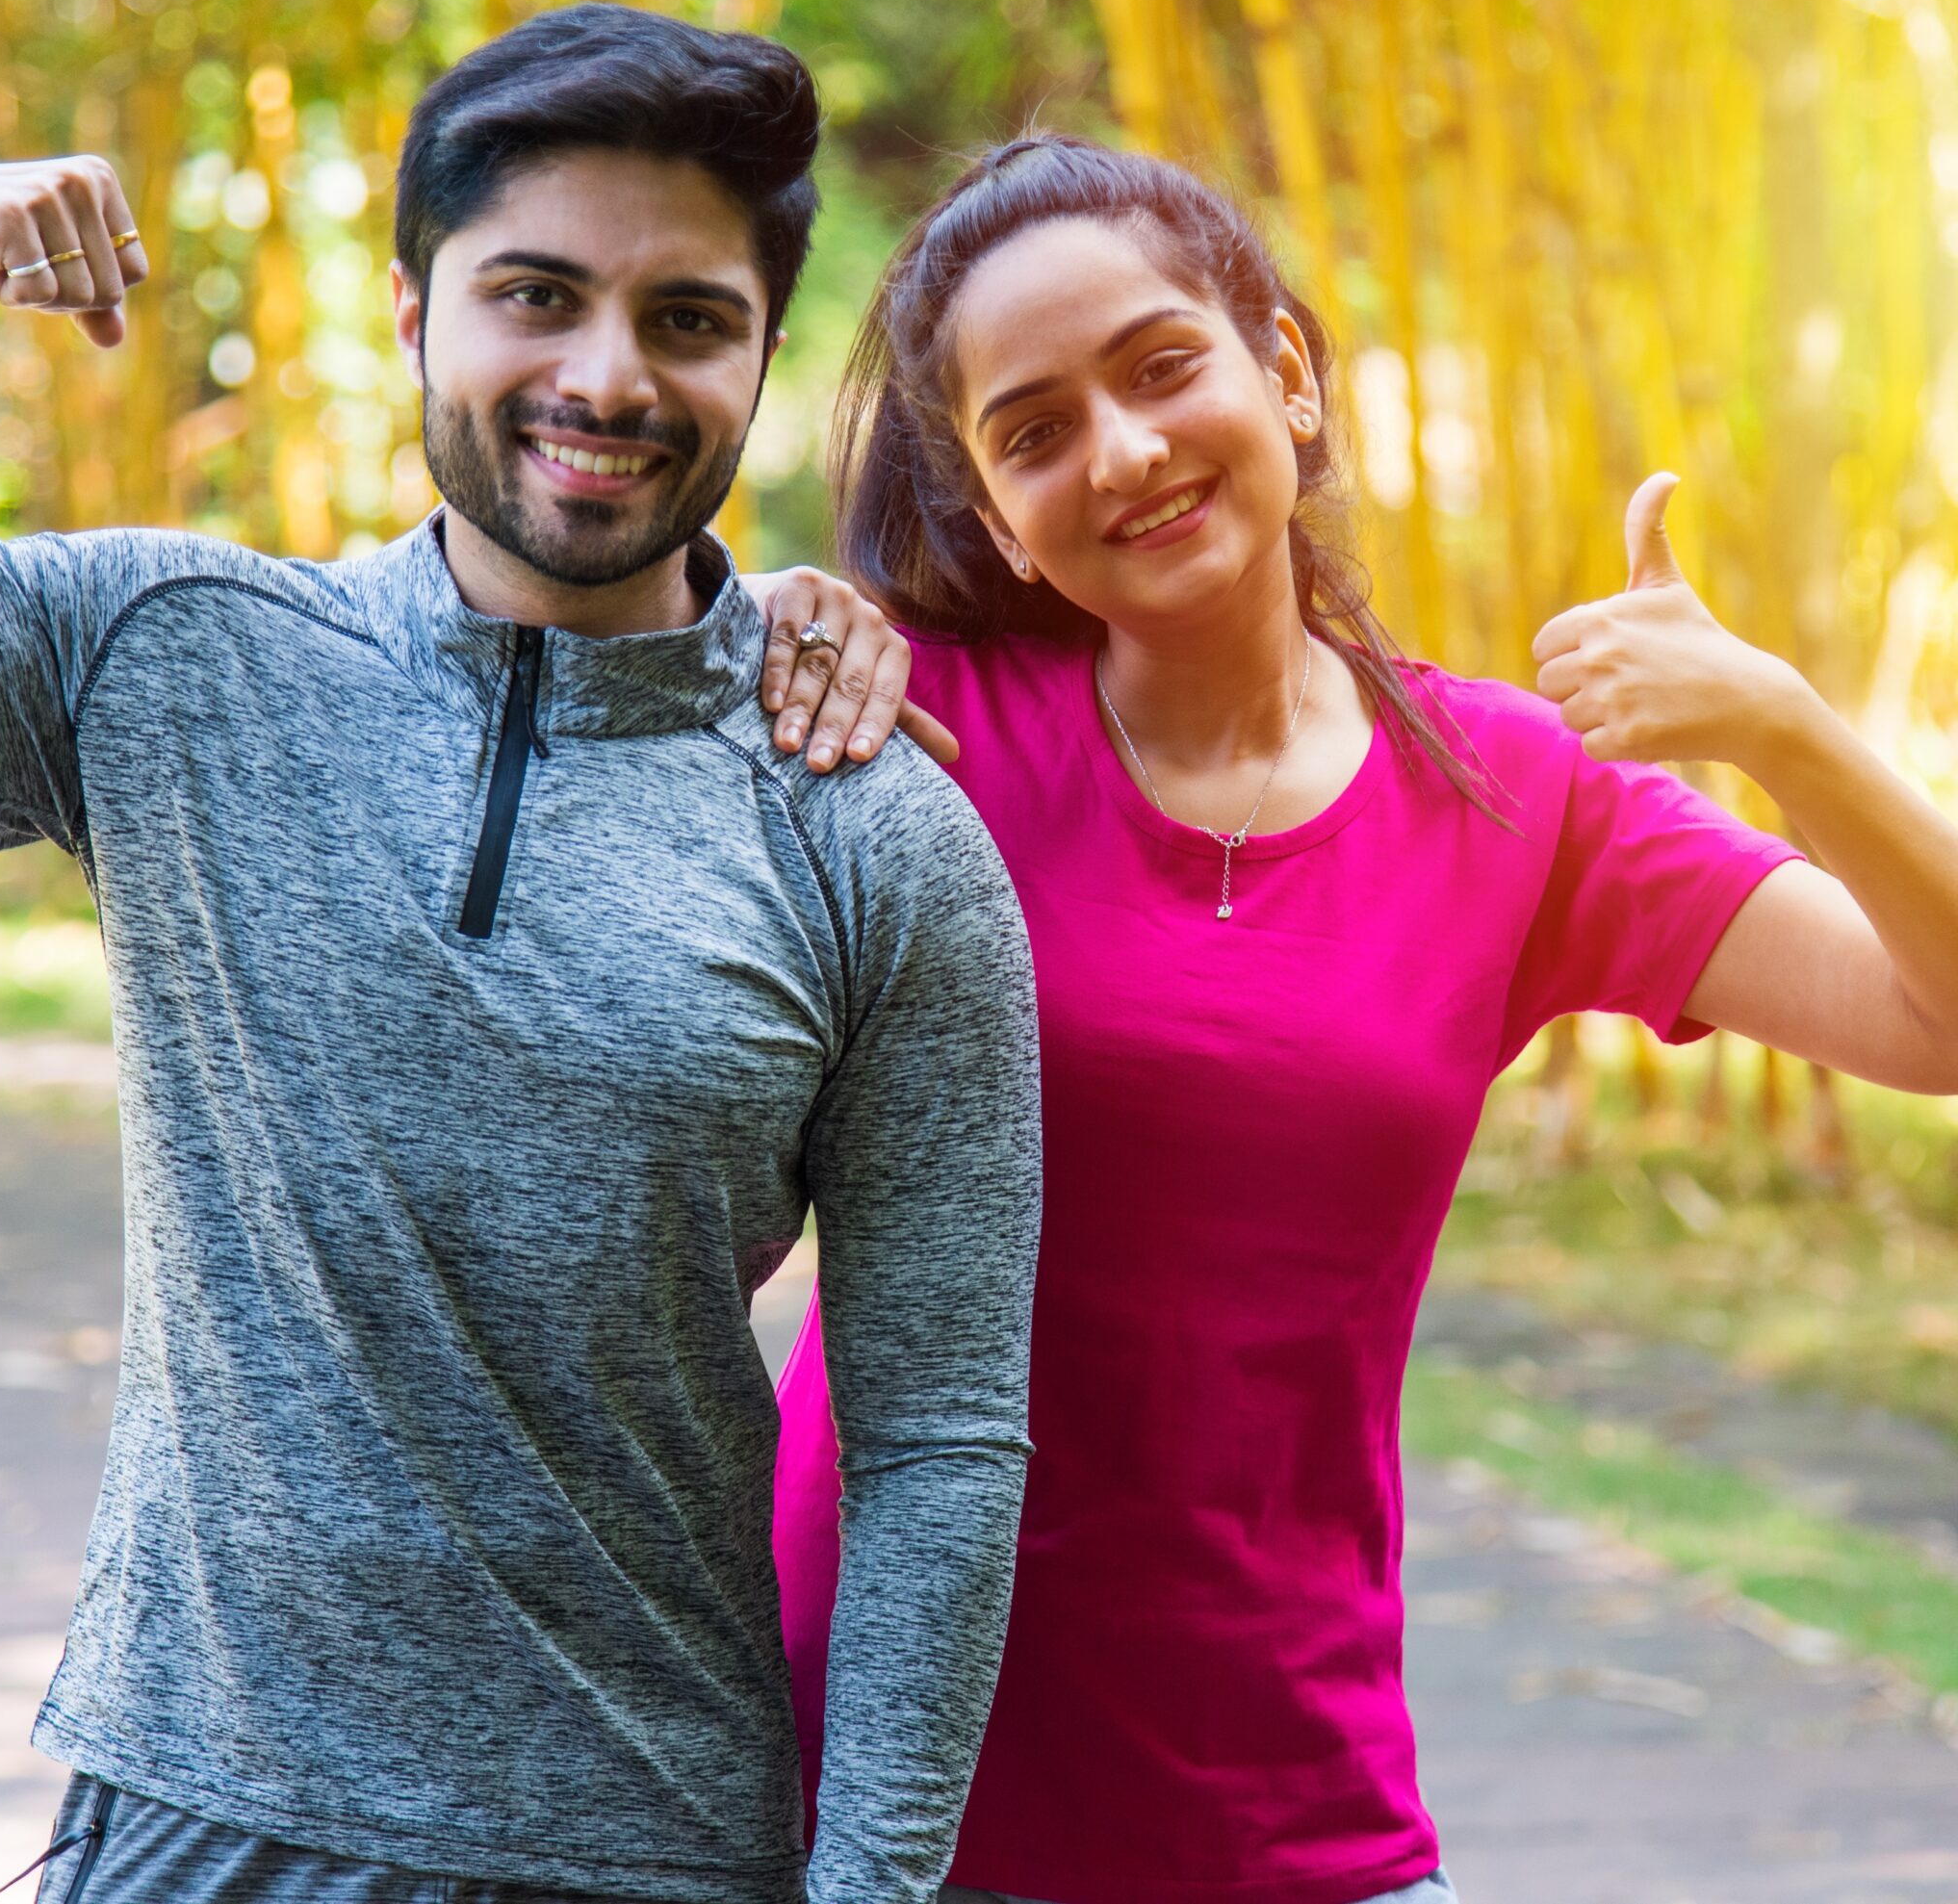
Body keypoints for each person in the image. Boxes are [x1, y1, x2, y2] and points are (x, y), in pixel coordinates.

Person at [0, 6, 1044, 1904]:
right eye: (533, 295)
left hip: (637, 1848)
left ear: (759, 359)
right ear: (409, 309)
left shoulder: (870, 828)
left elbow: (934, 1450)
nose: (604, 374)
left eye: (685, 320)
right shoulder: (166, 658)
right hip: (190, 1827)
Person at [746, 135, 1958, 1904]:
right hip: (878, 1780)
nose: (1128, 451)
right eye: (1038, 430)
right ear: (996, 513)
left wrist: (1783, 722)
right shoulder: (916, 741)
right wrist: (754, 633)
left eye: (1163, 367)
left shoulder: (1503, 793)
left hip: (1282, 1787)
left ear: (1287, 373)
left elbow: (1934, 1016)